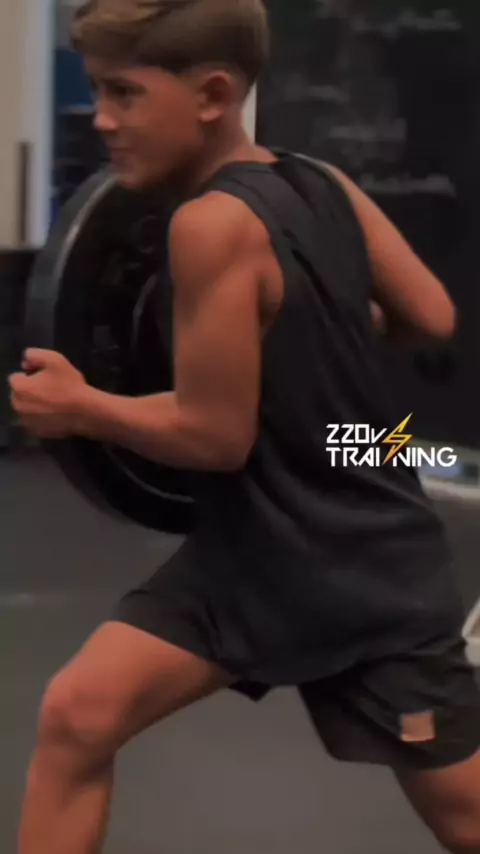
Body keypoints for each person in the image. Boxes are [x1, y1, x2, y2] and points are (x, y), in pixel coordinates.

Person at [8, 1, 480, 853]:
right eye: (98, 91)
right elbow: (432, 316)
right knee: (79, 716)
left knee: (466, 815)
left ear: (214, 95)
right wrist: (304, 326)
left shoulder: (210, 225)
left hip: (354, 572)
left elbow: (211, 436)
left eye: (124, 92)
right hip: (261, 555)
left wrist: (81, 406)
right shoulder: (322, 182)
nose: (102, 118)